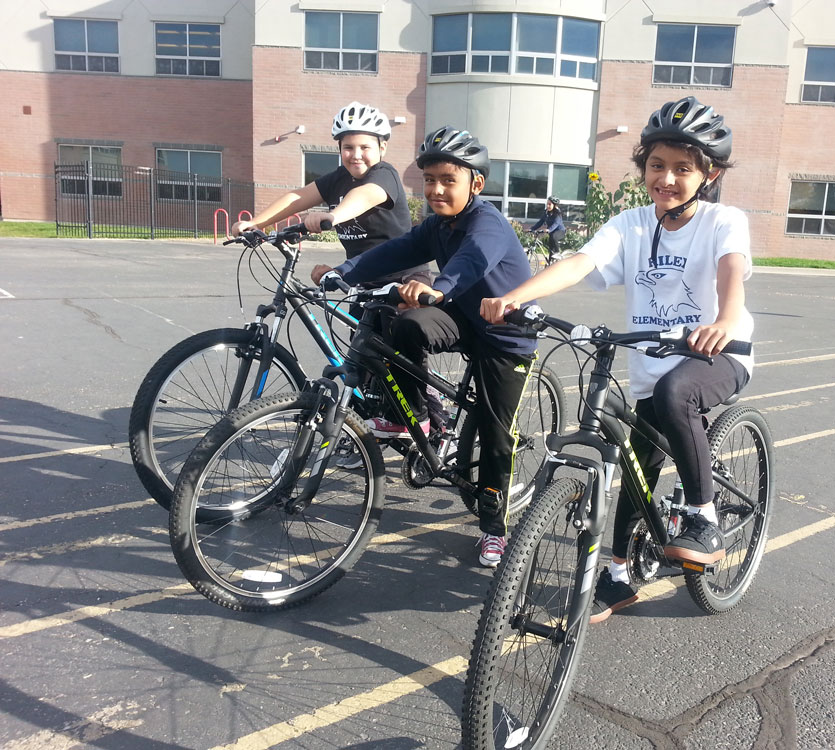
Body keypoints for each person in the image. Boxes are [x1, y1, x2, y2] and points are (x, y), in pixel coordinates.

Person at [480, 96, 754, 619]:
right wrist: (517, 297)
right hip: (652, 362)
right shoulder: (630, 224)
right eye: (656, 165)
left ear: (709, 173)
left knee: (679, 393)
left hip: (719, 351)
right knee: (635, 464)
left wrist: (724, 320)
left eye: (682, 168)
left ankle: (703, 516)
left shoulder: (724, 221)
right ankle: (618, 573)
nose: (666, 178)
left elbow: (731, 272)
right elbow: (582, 263)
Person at [321, 125, 537, 568]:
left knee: (498, 437)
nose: (436, 189)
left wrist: (437, 288)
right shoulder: (437, 225)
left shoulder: (488, 224)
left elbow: (471, 260)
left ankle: (494, 527)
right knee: (407, 326)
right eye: (430, 180)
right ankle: (413, 416)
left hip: (505, 333)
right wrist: (343, 273)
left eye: (448, 181)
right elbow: (394, 251)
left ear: (476, 184)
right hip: (463, 315)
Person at [231, 101, 431, 291]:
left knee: (405, 326)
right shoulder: (338, 178)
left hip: (403, 279)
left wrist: (333, 216)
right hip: (363, 279)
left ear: (382, 148)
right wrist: (256, 223)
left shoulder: (384, 174)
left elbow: (366, 195)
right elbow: (298, 197)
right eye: (348, 147)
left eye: (365, 147)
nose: (356, 154)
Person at [529, 195, 566, 265]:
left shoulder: (558, 213)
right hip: (551, 232)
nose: (548, 206)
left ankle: (558, 253)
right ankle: (550, 265)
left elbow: (556, 223)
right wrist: (532, 228)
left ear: (554, 205)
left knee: (554, 236)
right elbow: (540, 222)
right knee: (551, 251)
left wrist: (549, 229)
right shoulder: (546, 213)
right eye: (547, 204)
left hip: (560, 231)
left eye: (550, 204)